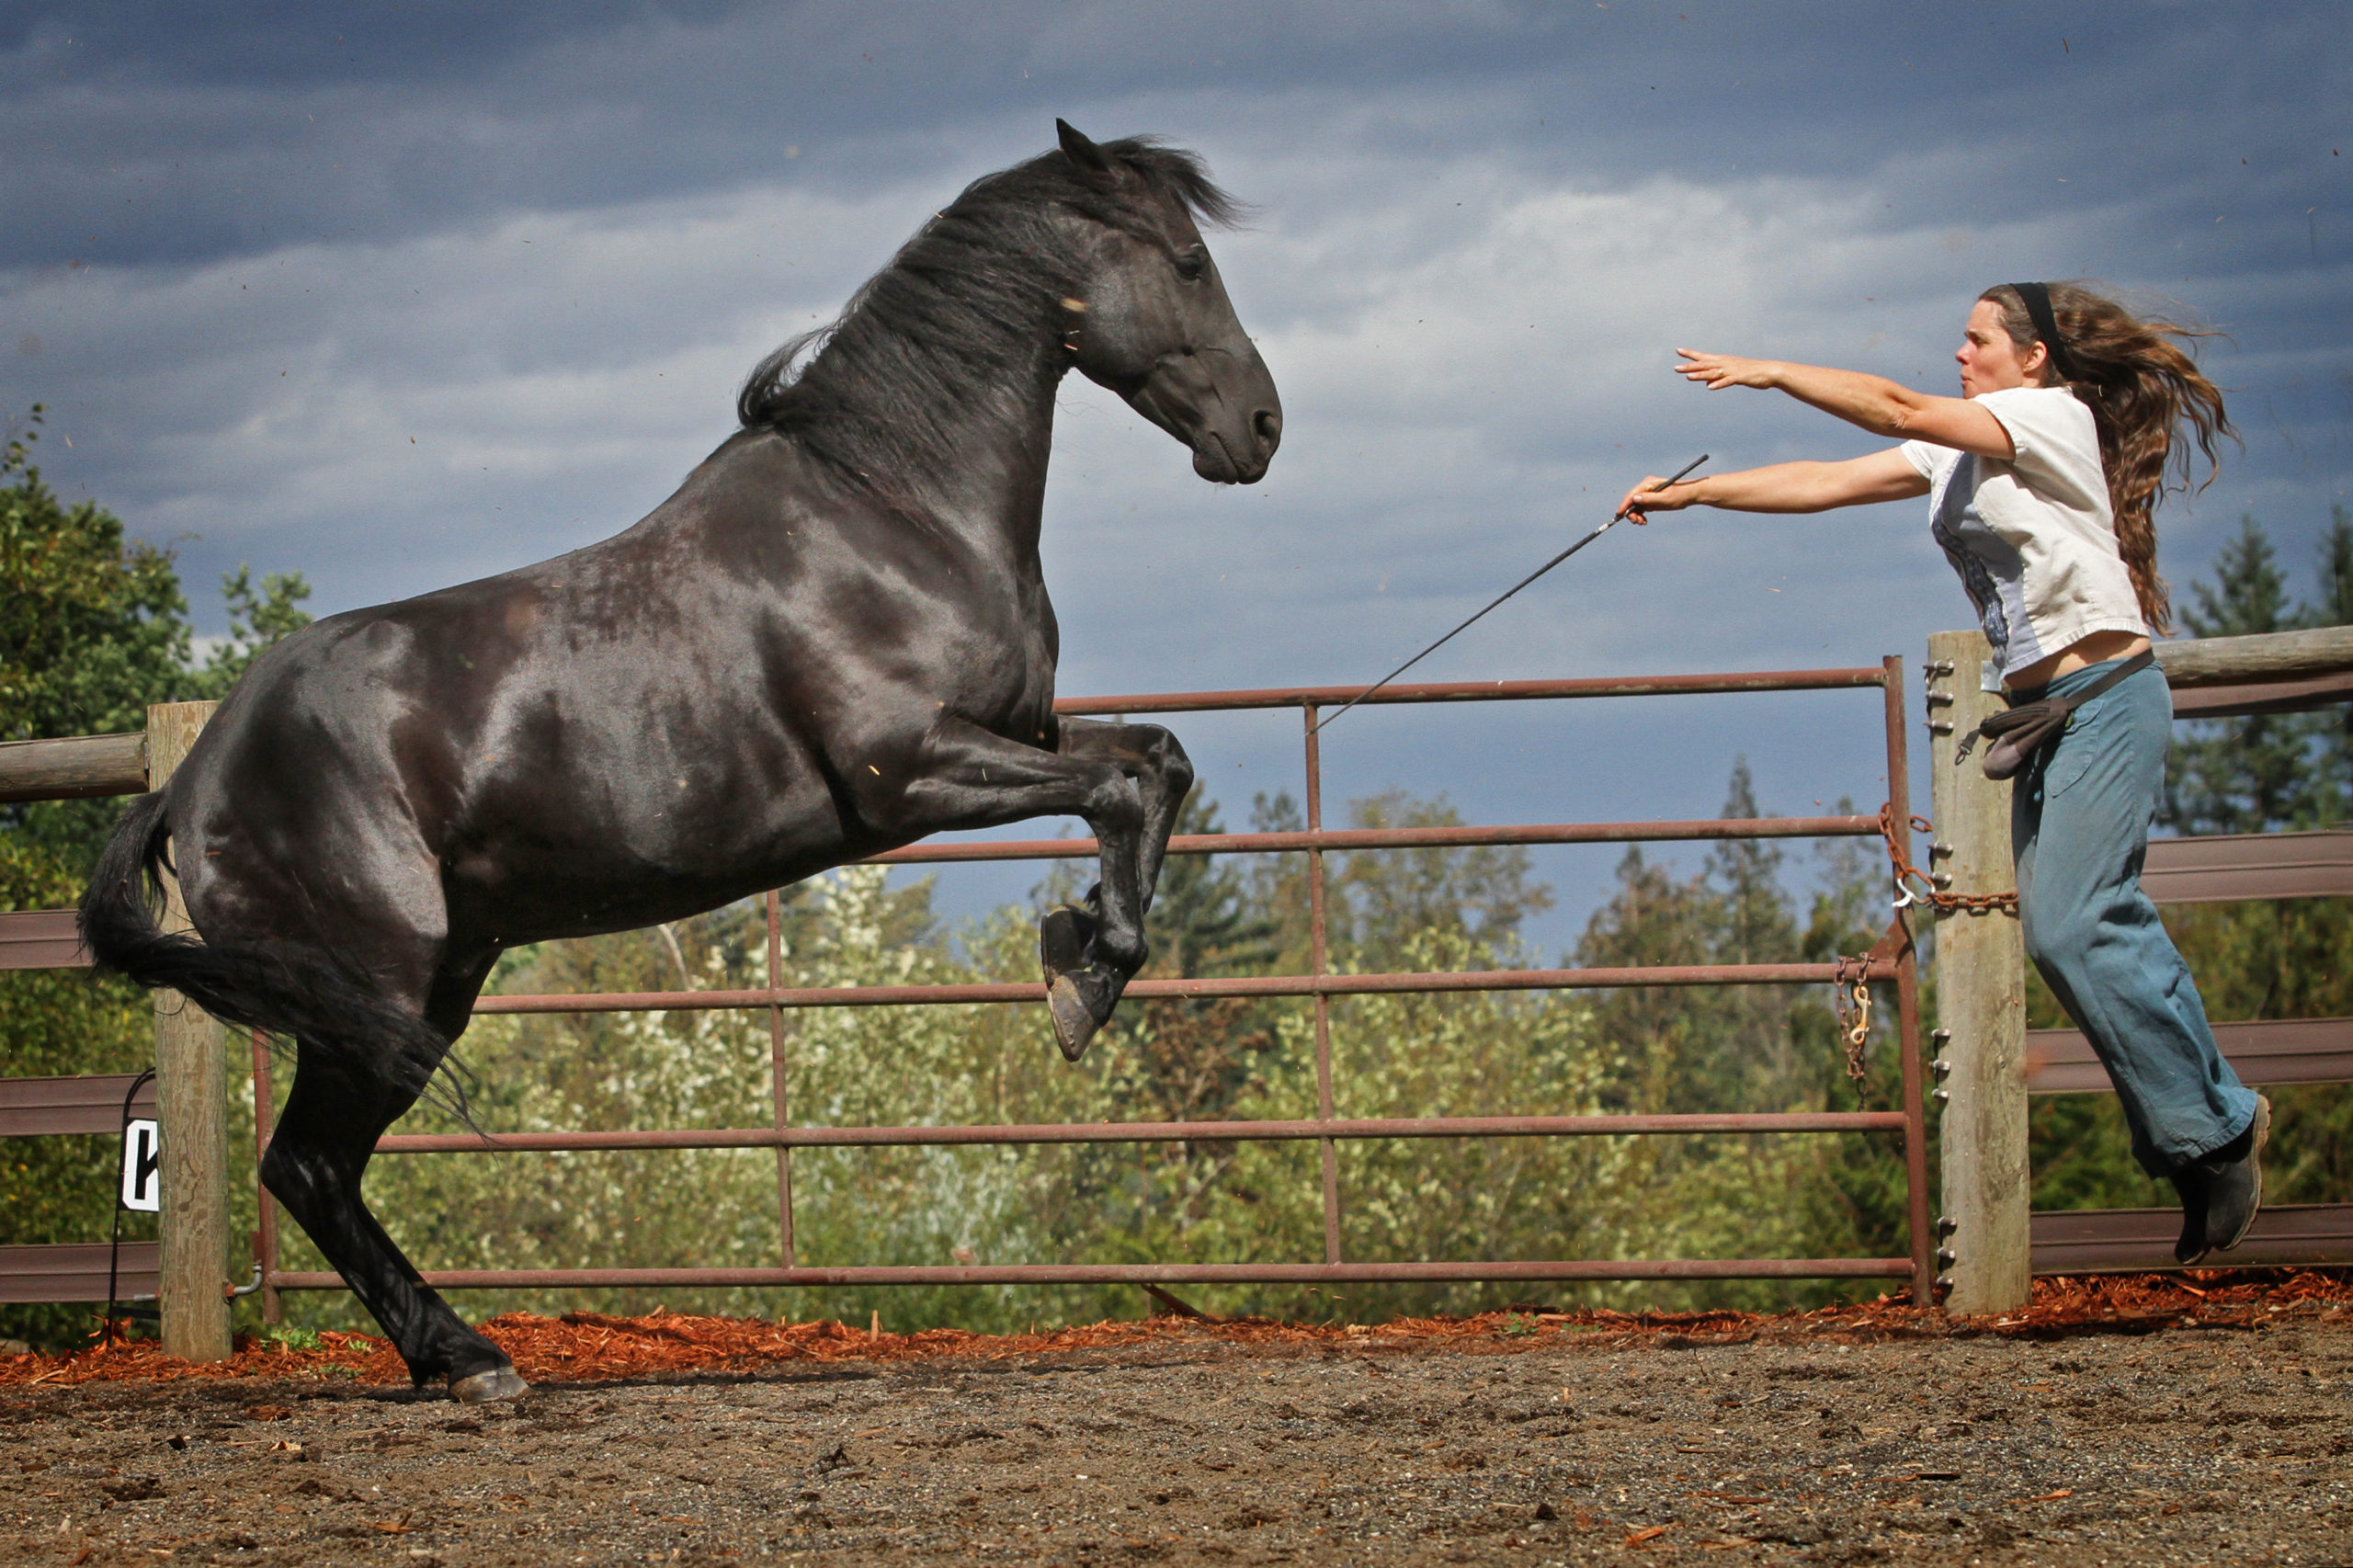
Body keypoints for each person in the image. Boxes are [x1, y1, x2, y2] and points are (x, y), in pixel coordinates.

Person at [1617, 281, 2262, 1267]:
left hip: (2106, 698)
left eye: (1976, 339)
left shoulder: (2048, 415)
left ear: (2033, 356)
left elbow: (1897, 407)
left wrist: (1773, 370)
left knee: (2078, 923)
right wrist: (1694, 492)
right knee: (2069, 931)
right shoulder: (1960, 446)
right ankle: (2206, 1132)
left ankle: (2213, 1133)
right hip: (2048, 715)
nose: (1960, 355)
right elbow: (1821, 481)